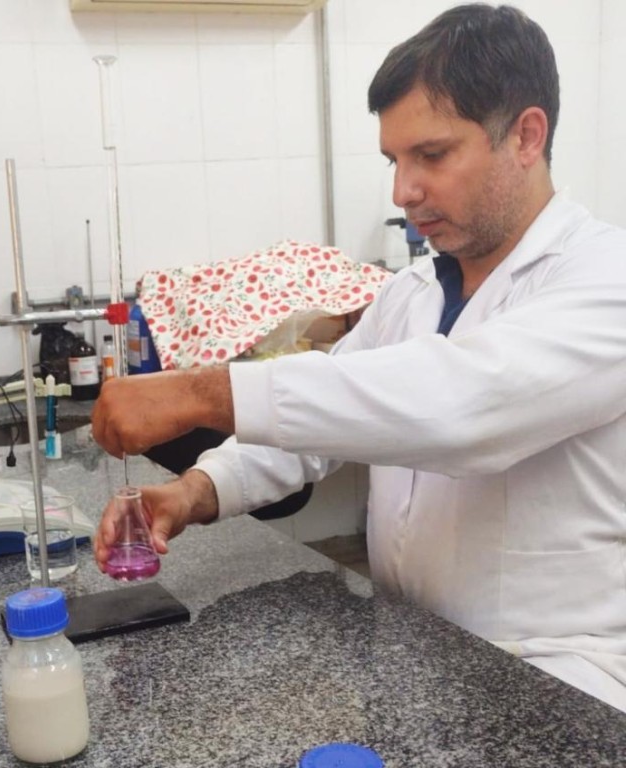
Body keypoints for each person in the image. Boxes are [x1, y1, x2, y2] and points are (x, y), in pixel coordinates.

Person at [90, 4, 626, 713]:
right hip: (416, 653)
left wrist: (200, 392)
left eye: (431, 155)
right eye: (394, 161)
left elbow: (463, 408)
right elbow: (322, 421)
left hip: (558, 678)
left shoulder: (605, 278)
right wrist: (196, 490)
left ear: (527, 135)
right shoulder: (413, 290)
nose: (403, 191)